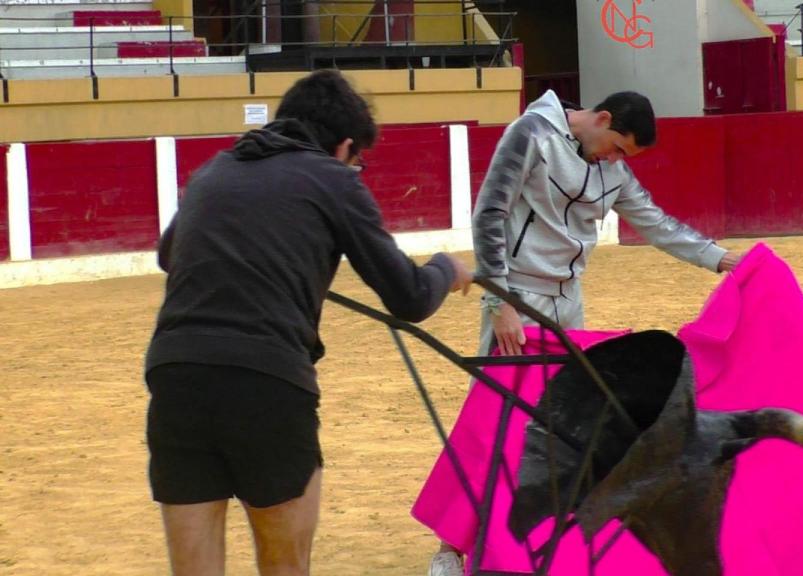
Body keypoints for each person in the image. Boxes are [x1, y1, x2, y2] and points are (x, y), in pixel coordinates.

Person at [145, 69, 472, 576]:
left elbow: (171, 256)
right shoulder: (333, 178)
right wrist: (446, 268)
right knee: (285, 564)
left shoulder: (215, 171)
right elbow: (407, 297)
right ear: (344, 146)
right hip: (267, 381)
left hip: (176, 374)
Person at [426, 89, 741, 575]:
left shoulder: (612, 168)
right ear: (602, 118)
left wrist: (719, 259)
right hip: (517, 297)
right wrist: (498, 301)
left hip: (568, 302)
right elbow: (489, 212)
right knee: (493, 417)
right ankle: (451, 545)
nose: (616, 160)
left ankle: (523, 539)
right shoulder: (530, 134)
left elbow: (654, 223)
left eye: (624, 156)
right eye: (617, 146)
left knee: (563, 420)